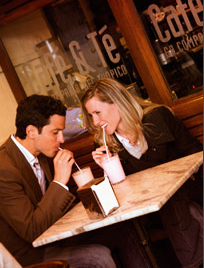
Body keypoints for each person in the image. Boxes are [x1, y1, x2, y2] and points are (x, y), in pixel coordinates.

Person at [81, 77, 203, 268]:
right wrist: (106, 168)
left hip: (188, 189)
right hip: (151, 210)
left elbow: (195, 153)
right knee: (185, 212)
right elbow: (120, 193)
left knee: (177, 202)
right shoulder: (105, 144)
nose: (95, 121)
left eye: (97, 112)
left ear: (117, 102)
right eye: (91, 115)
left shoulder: (157, 117)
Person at [0, 94, 117, 268]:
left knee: (120, 231)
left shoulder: (41, 151)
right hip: (29, 254)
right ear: (31, 131)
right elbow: (31, 231)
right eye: (55, 132)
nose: (62, 140)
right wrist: (60, 181)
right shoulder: (4, 169)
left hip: (56, 236)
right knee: (97, 257)